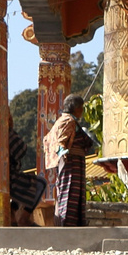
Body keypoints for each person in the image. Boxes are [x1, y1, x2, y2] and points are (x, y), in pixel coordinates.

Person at [45, 94, 98, 226]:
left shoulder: (64, 120)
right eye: (81, 107)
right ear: (76, 108)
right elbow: (60, 141)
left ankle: (72, 224)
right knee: (69, 193)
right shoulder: (68, 121)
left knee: (73, 194)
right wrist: (62, 151)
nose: (82, 110)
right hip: (71, 163)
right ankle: (67, 224)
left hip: (75, 163)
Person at [6, 111, 44, 227]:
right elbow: (21, 149)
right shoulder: (7, 133)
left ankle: (13, 214)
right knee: (40, 183)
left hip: (5, 176)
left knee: (26, 183)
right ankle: (24, 217)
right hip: (9, 177)